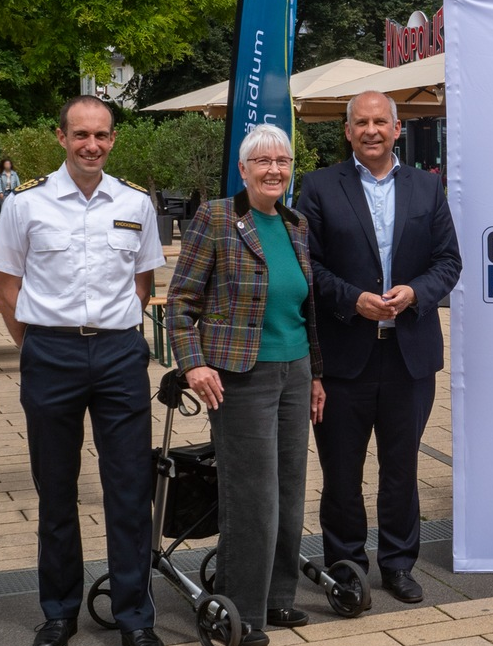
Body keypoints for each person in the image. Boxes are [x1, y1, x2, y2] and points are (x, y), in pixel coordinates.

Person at [0, 95, 165, 646]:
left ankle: (135, 618)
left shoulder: (136, 202)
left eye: (101, 135)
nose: (92, 145)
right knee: (56, 489)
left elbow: (143, 283)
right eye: (81, 134)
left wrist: (112, 335)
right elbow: (5, 289)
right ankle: (59, 611)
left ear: (113, 140)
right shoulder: (26, 203)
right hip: (51, 355)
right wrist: (37, 345)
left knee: (129, 489)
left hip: (118, 356)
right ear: (62, 137)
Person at [294, 90, 461, 604]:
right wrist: (352, 300)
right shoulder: (319, 187)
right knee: (342, 473)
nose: (371, 130)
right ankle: (346, 567)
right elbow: (306, 264)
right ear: (347, 131)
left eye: (380, 122)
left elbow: (448, 262)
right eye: (361, 123)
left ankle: (398, 564)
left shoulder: (427, 188)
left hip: (409, 354)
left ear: (396, 128)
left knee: (402, 469)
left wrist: (415, 293)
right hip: (344, 355)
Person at [167, 124, 325, 646]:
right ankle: (241, 610)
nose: (274, 170)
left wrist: (316, 374)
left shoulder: (296, 223)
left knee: (289, 490)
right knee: (252, 494)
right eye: (263, 161)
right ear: (243, 169)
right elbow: (181, 303)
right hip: (239, 376)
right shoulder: (216, 218)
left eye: (282, 161)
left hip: (294, 370)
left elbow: (305, 309)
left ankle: (278, 597)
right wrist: (193, 365)